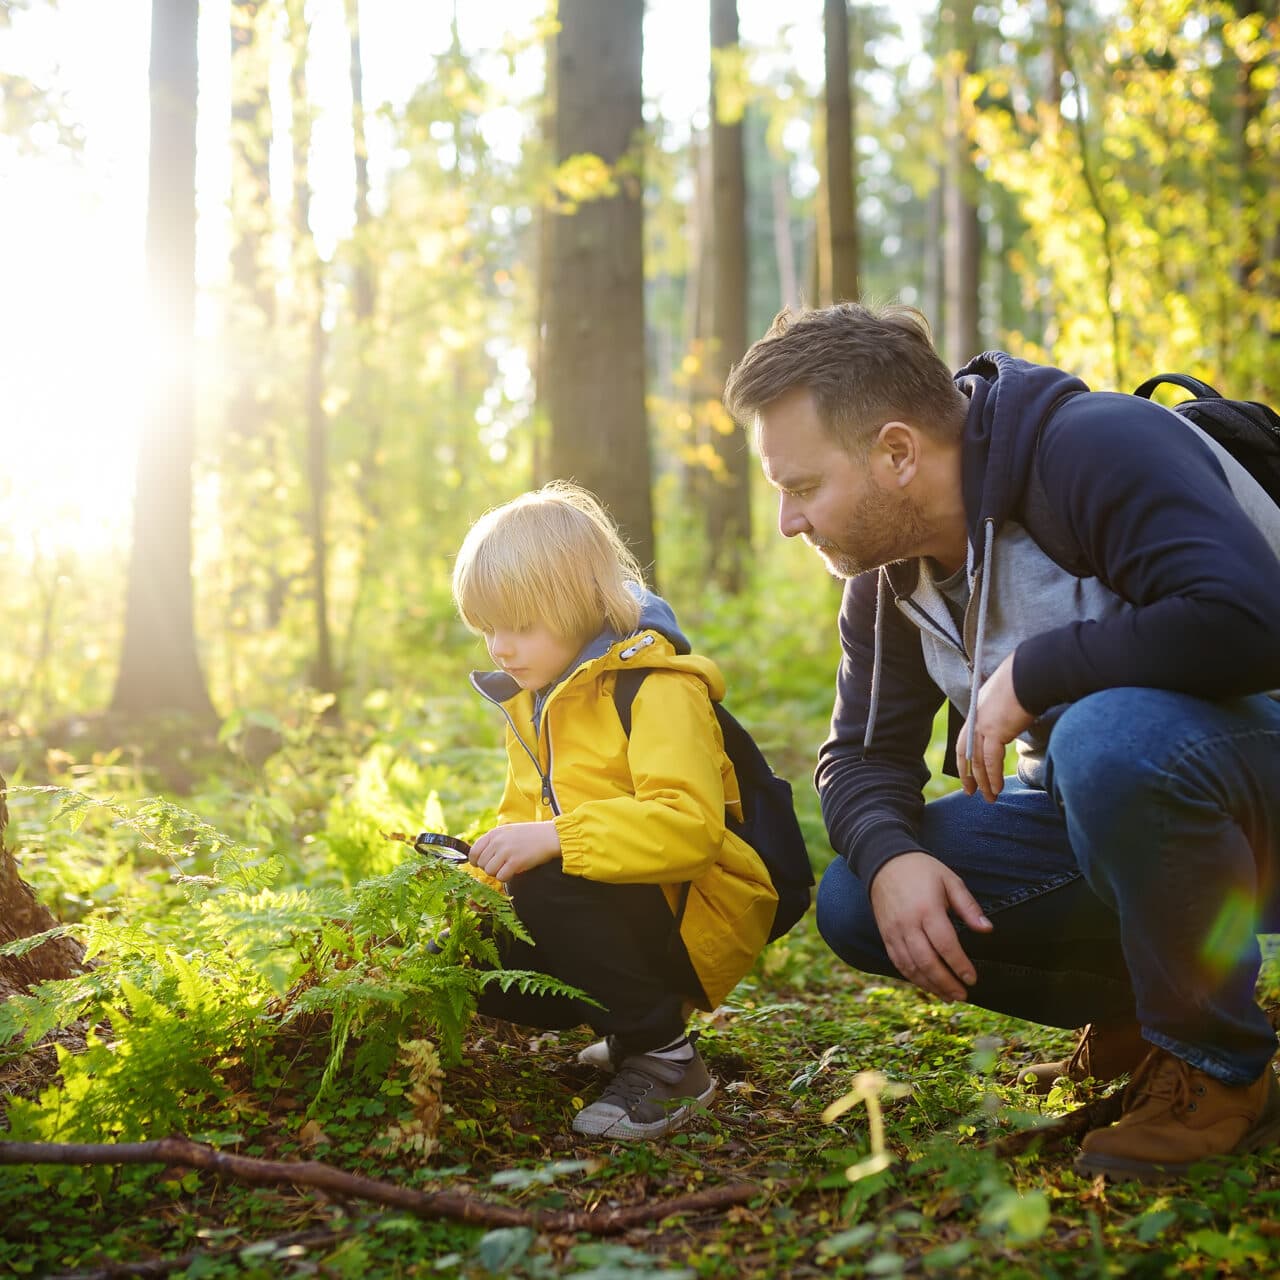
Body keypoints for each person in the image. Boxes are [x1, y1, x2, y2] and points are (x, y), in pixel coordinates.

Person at [723, 302, 1280, 1181]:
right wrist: (892, 856)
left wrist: (1037, 671)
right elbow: (859, 756)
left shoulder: (1094, 448)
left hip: (1247, 778)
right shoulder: (890, 577)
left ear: (897, 452)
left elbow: (1251, 620)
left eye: (802, 487)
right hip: (1137, 808)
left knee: (1103, 734)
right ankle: (1150, 1014)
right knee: (859, 897)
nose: (789, 521)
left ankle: (1215, 1065)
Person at [450, 481, 777, 1140]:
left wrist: (555, 840)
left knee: (547, 879)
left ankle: (668, 1062)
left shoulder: (657, 690)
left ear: (579, 607)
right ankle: (632, 1028)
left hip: (697, 909)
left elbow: (689, 830)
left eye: (520, 626)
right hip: (626, 900)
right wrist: (470, 890)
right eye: (488, 629)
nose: (501, 648)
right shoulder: (534, 700)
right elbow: (522, 819)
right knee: (467, 954)